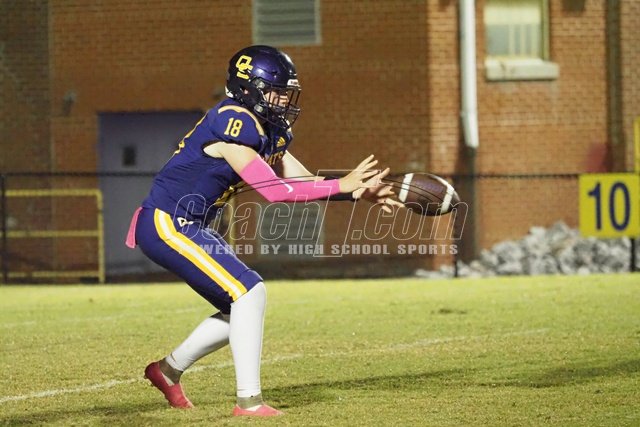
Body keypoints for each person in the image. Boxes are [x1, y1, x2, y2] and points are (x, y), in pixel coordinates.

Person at [125, 45, 401, 417]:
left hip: (188, 224)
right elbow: (274, 191)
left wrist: (355, 192)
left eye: (287, 92)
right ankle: (249, 402)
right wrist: (343, 185)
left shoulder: (270, 130)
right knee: (249, 292)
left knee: (238, 306)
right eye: (276, 91)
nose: (284, 99)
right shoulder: (233, 121)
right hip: (166, 222)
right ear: (248, 88)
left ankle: (167, 371)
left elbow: (300, 180)